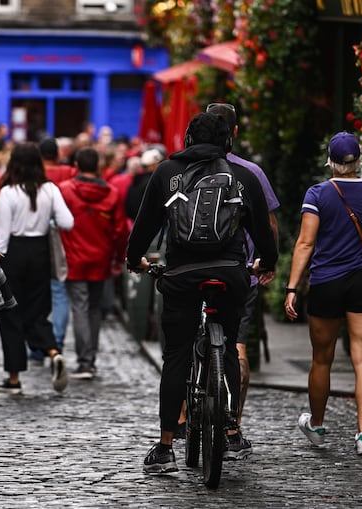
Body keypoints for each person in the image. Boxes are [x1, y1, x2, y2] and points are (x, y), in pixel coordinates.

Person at [126, 112, 277, 474]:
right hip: (230, 273)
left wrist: (136, 261)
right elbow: (264, 234)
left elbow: (145, 225)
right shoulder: (243, 176)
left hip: (180, 275)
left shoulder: (166, 173)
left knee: (176, 354)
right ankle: (230, 429)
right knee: (225, 346)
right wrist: (265, 264)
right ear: (228, 140)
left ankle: (165, 448)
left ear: (188, 139)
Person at [285, 132, 362, 457]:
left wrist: (292, 287)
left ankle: (316, 424)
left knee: (321, 359)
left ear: (329, 160)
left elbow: (305, 242)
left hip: (327, 281)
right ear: (358, 160)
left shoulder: (318, 193)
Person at [206, 102, 279, 460]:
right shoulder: (251, 173)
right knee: (237, 347)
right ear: (234, 132)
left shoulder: (186, 168)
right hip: (241, 271)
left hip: (194, 271)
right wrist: (268, 263)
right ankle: (233, 424)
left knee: (185, 344)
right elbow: (270, 226)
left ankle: (180, 419)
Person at [0, 142, 73, 394]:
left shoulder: (8, 191)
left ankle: (14, 378)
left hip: (14, 253)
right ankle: (53, 351)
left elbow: (2, 234)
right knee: (38, 311)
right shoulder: (49, 188)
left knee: (11, 313)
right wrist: (45, 218)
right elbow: (67, 222)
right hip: (40, 253)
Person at [58, 147, 128, 379]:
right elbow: (119, 231)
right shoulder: (111, 193)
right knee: (95, 308)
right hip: (101, 257)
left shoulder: (66, 190)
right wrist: (119, 257)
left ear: (76, 165)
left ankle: (85, 361)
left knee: (80, 306)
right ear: (98, 166)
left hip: (74, 256)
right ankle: (90, 359)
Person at [39, 137, 76, 354]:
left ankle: (38, 342)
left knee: (37, 292)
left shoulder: (34, 175)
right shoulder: (69, 173)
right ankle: (58, 339)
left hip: (36, 237)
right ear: (57, 154)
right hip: (62, 238)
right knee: (60, 290)